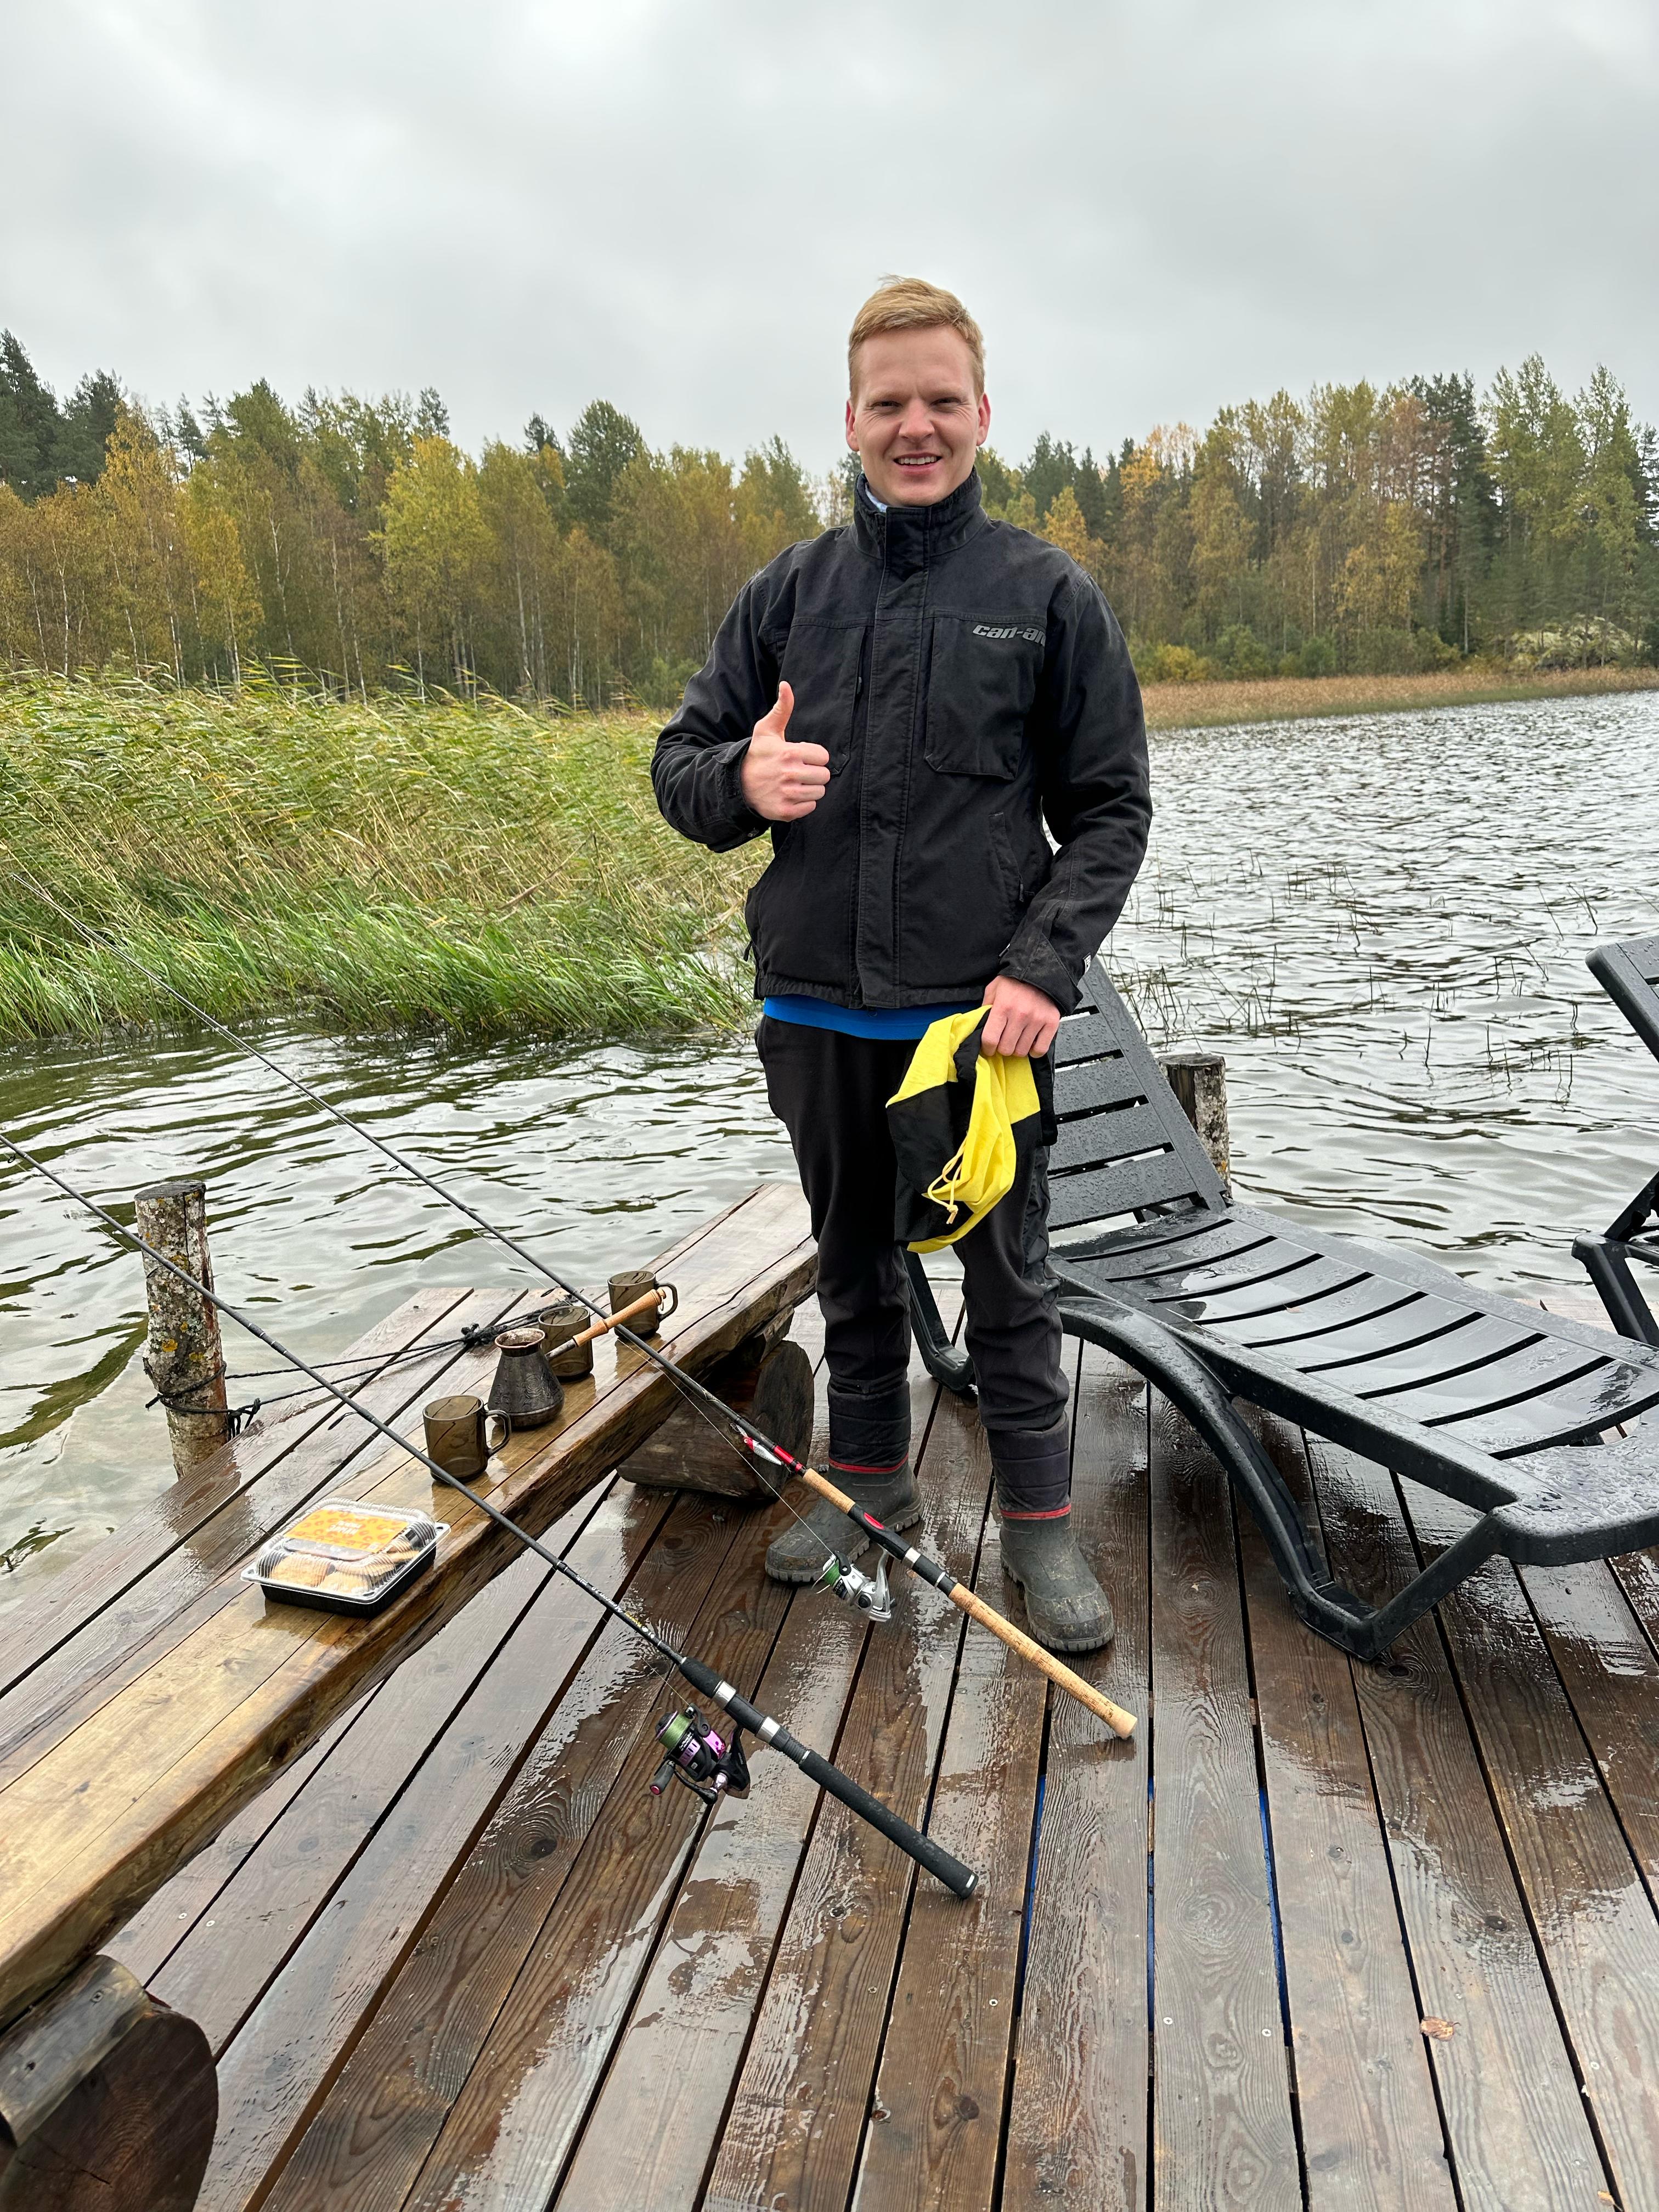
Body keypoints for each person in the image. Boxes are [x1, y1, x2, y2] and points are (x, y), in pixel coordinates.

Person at [652, 276, 1150, 1651]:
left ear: (982, 413)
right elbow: (679, 773)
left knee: (1012, 1277)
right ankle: (874, 1498)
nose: (915, 427)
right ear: (852, 421)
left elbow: (1112, 807)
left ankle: (1041, 1534)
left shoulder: (1048, 595)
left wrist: (1046, 970)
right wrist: (744, 778)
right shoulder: (787, 595)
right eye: (890, 404)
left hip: (981, 1031)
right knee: (854, 1270)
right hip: (815, 1012)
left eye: (942, 401)